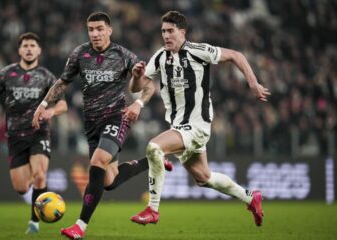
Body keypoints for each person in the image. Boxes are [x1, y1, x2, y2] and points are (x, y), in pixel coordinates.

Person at [32, 12, 172, 239]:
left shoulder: (123, 55)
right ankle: (153, 161)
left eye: (99, 29)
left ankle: (80, 226)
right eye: (91, 29)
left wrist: (137, 103)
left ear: (109, 30)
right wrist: (44, 103)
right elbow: (62, 83)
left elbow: (148, 87)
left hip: (117, 118)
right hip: (92, 125)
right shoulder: (80, 53)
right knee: (109, 181)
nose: (95, 33)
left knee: (97, 163)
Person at [130, 11, 271, 227]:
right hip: (179, 126)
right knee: (204, 178)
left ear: (182, 32)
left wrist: (253, 83)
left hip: (196, 126)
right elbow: (136, 88)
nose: (166, 36)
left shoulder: (197, 51)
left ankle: (153, 209)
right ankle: (251, 198)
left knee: (154, 148)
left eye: (170, 31)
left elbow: (236, 55)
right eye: (163, 31)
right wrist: (136, 76)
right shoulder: (160, 57)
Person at [0, 32, 68, 234]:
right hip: (15, 136)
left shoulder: (46, 76)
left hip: (39, 133)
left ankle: (34, 222)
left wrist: (52, 111)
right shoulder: (6, 74)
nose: (28, 48)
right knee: (20, 187)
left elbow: (63, 104)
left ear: (39, 50)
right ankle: (37, 198)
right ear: (19, 50)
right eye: (25, 45)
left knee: (39, 175)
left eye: (32, 45)